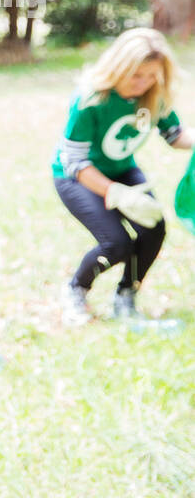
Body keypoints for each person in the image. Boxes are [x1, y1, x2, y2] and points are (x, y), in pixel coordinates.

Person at [52, 28, 192, 325]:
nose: (143, 84)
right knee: (116, 243)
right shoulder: (90, 100)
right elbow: (75, 162)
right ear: (119, 68)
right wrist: (117, 193)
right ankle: (75, 290)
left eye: (151, 76)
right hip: (77, 176)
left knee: (153, 228)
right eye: (136, 76)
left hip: (121, 169)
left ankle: (126, 295)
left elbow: (174, 134)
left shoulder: (154, 96)